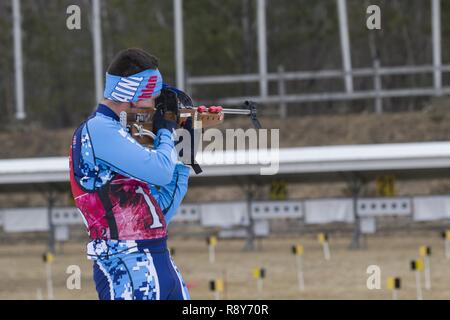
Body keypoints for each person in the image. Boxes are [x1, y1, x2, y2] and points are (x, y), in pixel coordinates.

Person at [69, 48, 190, 300]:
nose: (155, 108)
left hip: (159, 258)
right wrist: (165, 131)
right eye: (152, 99)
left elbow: (159, 213)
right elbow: (160, 171)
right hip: (126, 266)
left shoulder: (122, 138)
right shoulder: (99, 129)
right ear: (134, 95)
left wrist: (185, 148)